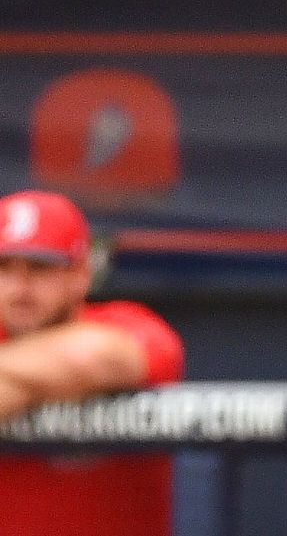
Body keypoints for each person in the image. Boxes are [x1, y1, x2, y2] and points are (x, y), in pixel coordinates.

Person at [0, 189, 185, 535]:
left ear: (80, 274)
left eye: (39, 268)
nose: (19, 288)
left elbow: (93, 357)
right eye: (4, 267)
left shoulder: (124, 322)